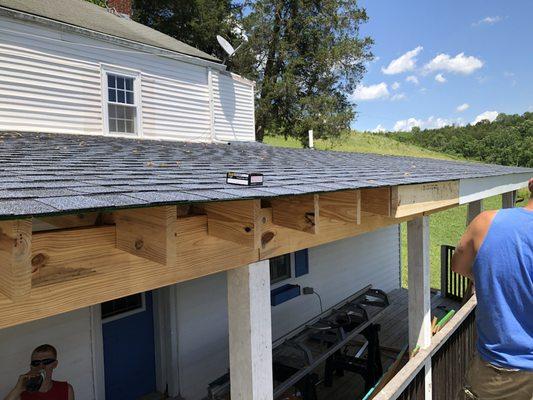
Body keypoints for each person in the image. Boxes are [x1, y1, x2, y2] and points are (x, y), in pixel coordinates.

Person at [452, 178, 533, 400]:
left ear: (531, 184)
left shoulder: (485, 223)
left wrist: (490, 279)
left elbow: (458, 265)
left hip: (498, 374)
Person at [4, 344, 74, 400]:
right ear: (31, 367)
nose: (41, 366)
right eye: (36, 363)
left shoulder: (65, 389)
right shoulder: (21, 393)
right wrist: (17, 389)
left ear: (55, 364)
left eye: (46, 362)